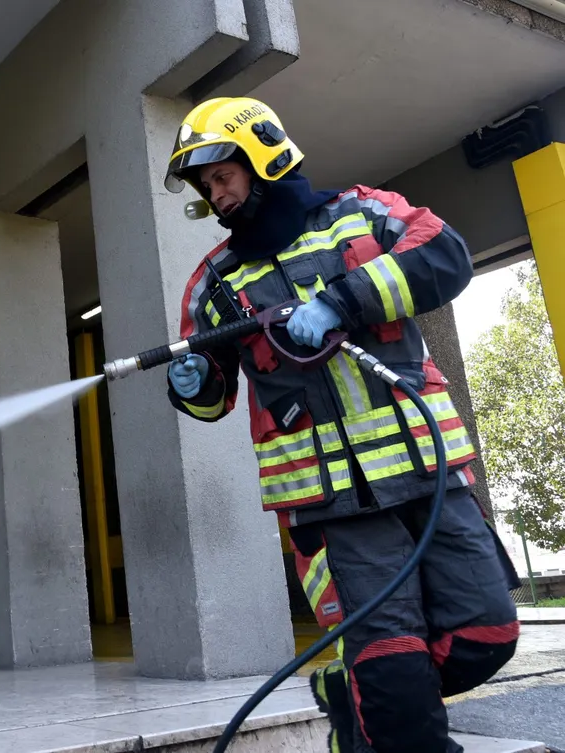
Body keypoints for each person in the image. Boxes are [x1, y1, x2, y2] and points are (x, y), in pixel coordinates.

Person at [162, 97, 521, 753]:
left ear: (262, 151)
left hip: (428, 476)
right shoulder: (213, 285)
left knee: (487, 633)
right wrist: (193, 384)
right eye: (206, 187)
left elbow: (446, 255)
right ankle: (380, 706)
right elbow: (211, 395)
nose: (216, 195)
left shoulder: (362, 212)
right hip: (332, 511)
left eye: (222, 175)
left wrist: (340, 301)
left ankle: (355, 699)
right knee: (393, 678)